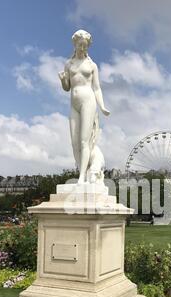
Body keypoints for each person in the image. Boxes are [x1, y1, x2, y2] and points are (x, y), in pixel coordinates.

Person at [59, 30, 110, 185]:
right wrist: (62, 80)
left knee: (84, 141)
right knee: (74, 142)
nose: (82, 48)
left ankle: (82, 177)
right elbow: (67, 87)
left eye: (85, 45)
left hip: (88, 101)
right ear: (75, 44)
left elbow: (97, 88)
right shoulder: (68, 64)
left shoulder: (92, 65)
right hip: (74, 103)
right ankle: (82, 170)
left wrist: (102, 106)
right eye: (80, 45)